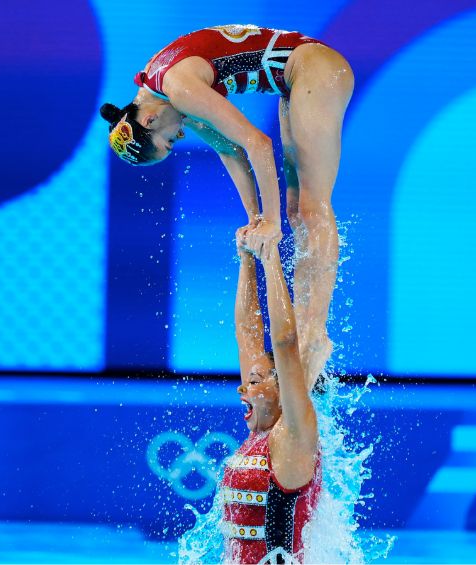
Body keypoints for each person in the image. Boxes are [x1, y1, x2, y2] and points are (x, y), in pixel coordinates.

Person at [99, 24, 354, 389]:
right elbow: (229, 148)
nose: (181, 135)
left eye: (169, 140)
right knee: (298, 211)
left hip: (317, 69)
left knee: (312, 207)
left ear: (150, 120)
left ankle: (315, 336)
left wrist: (270, 223)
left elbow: (258, 144)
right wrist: (256, 218)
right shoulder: (164, 92)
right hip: (297, 79)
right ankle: (303, 330)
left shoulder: (178, 89)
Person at [219, 225, 320, 564]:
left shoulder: (294, 435)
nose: (242, 387)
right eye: (248, 380)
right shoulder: (263, 433)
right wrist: (246, 258)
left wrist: (270, 257)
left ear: (283, 388)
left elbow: (285, 344)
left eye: (257, 380)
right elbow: (247, 334)